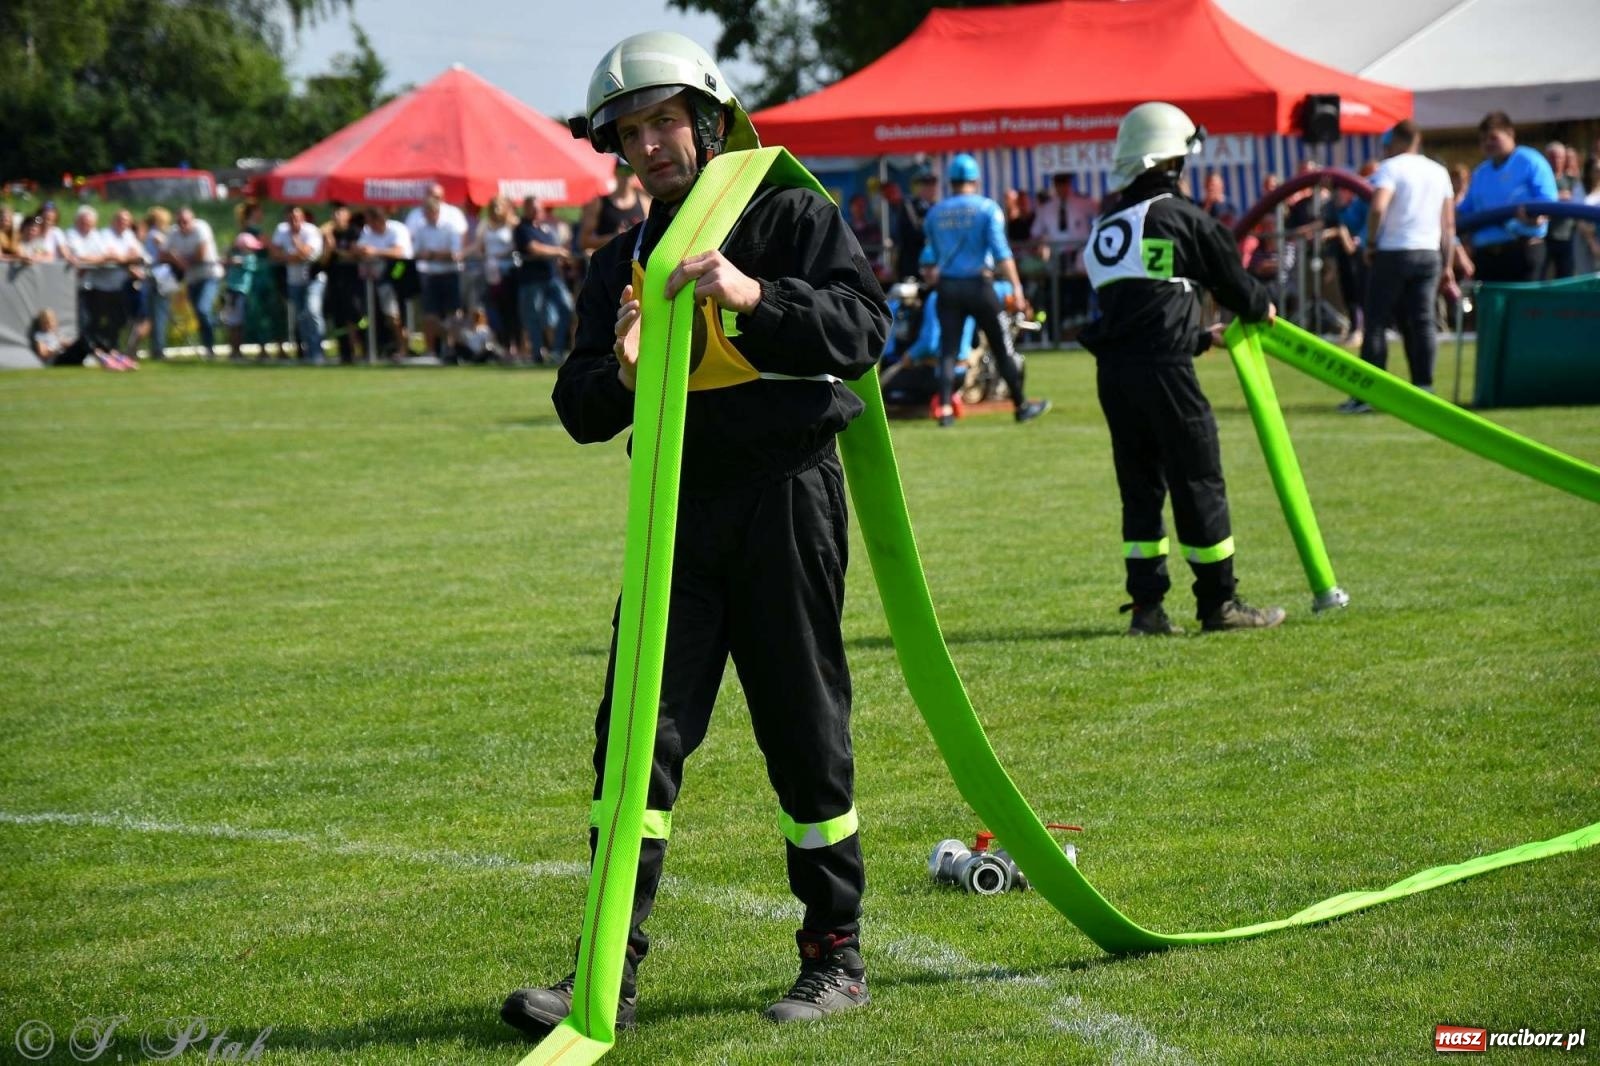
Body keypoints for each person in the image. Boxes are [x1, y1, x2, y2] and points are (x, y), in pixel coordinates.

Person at [500, 29, 888, 1041]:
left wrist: (754, 296)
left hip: (787, 500)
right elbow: (579, 407)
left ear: (709, 121)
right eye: (630, 132)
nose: (650, 145)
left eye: (665, 121)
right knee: (637, 737)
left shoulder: (791, 215)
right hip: (673, 510)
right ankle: (605, 973)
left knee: (802, 728)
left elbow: (863, 331)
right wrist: (625, 374)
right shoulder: (619, 261)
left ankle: (834, 955)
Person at [1079, 101, 1286, 636]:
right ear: (1172, 160)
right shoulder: (1179, 216)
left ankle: (1147, 609)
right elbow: (1233, 284)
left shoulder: (1108, 225)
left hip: (1115, 376)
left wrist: (1196, 336)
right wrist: (1259, 305)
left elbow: (1137, 304)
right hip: (1166, 374)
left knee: (1140, 488)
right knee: (1198, 479)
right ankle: (1219, 604)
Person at [919, 152, 1050, 426]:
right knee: (1001, 346)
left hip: (948, 287)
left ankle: (945, 410)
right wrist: (1017, 287)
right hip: (980, 285)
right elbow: (1002, 253)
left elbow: (932, 252)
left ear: (950, 182)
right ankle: (1021, 405)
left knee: (948, 350)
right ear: (976, 181)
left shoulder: (935, 213)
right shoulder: (987, 209)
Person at [1339, 120, 1455, 413]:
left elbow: (1378, 206)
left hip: (1393, 251)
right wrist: (1448, 263)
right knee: (1423, 320)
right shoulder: (1439, 171)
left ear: (1400, 141)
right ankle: (1424, 388)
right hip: (1429, 253)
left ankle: (1370, 393)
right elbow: (1449, 225)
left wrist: (1371, 243)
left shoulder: (1390, 168)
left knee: (1376, 322)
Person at [1456, 112, 1558, 282]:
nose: (1487, 143)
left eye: (1493, 138)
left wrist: (1534, 217)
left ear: (1510, 134)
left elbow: (1548, 202)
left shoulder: (1530, 161)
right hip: (1486, 257)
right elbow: (1465, 210)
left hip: (1522, 251)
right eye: (1483, 140)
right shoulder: (1481, 172)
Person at [512, 196, 574, 363]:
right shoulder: (522, 228)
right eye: (533, 208)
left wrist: (560, 256)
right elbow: (533, 248)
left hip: (552, 278)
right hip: (532, 280)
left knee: (566, 309)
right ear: (526, 209)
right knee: (534, 317)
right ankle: (537, 354)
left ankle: (557, 350)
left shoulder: (545, 229)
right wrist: (558, 251)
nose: (537, 211)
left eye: (539, 209)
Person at [354, 203, 413, 361]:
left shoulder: (397, 229)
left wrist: (375, 252)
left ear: (379, 220)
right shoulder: (368, 232)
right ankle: (383, 346)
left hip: (400, 272)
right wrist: (360, 251)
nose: (368, 225)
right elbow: (359, 248)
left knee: (394, 313)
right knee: (377, 314)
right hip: (376, 278)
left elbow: (399, 252)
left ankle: (403, 347)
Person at [410, 190, 464, 360]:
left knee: (453, 314)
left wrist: (433, 254)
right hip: (429, 274)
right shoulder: (421, 228)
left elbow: (455, 253)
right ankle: (432, 350)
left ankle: (453, 348)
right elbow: (416, 252)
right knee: (430, 315)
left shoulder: (450, 226)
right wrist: (430, 255)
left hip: (450, 273)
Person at [268, 205, 327, 363]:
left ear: (303, 218)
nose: (294, 222)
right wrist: (293, 256)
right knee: (301, 317)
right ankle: (307, 353)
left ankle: (317, 352)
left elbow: (306, 254)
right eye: (290, 218)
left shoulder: (311, 231)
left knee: (312, 311)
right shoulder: (281, 230)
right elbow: (274, 253)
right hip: (294, 280)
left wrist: (296, 243)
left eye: (297, 218)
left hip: (313, 279)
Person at [166, 206, 225, 359]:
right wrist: (178, 260)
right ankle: (208, 347)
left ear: (192, 220)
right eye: (179, 222)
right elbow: (164, 252)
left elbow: (201, 254)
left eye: (185, 221)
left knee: (202, 309)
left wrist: (182, 261)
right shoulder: (173, 232)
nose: (182, 225)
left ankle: (214, 334)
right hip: (192, 278)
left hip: (209, 275)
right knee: (199, 314)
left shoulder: (201, 228)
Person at [577, 165, 650, 254]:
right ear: (615, 173)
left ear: (635, 174)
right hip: (609, 259)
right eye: (623, 171)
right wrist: (614, 238)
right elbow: (584, 242)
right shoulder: (598, 203)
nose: (626, 176)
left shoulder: (645, 202)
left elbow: (651, 235)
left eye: (630, 171)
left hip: (636, 260)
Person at [1543, 141, 1577, 279]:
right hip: (1545, 237)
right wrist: (1556, 196)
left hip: (1567, 236)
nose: (1556, 161)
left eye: (1560, 157)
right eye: (1553, 157)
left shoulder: (1571, 181)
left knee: (1566, 276)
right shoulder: (1541, 181)